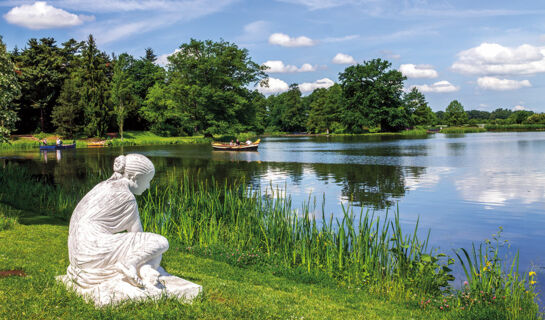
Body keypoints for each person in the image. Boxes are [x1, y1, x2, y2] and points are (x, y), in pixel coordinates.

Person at [66, 154, 168, 289]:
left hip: (77, 252)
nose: (148, 186)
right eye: (147, 180)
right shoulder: (127, 197)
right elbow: (138, 235)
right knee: (160, 242)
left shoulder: (103, 186)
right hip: (93, 250)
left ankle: (145, 271)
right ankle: (129, 264)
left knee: (149, 252)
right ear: (134, 176)